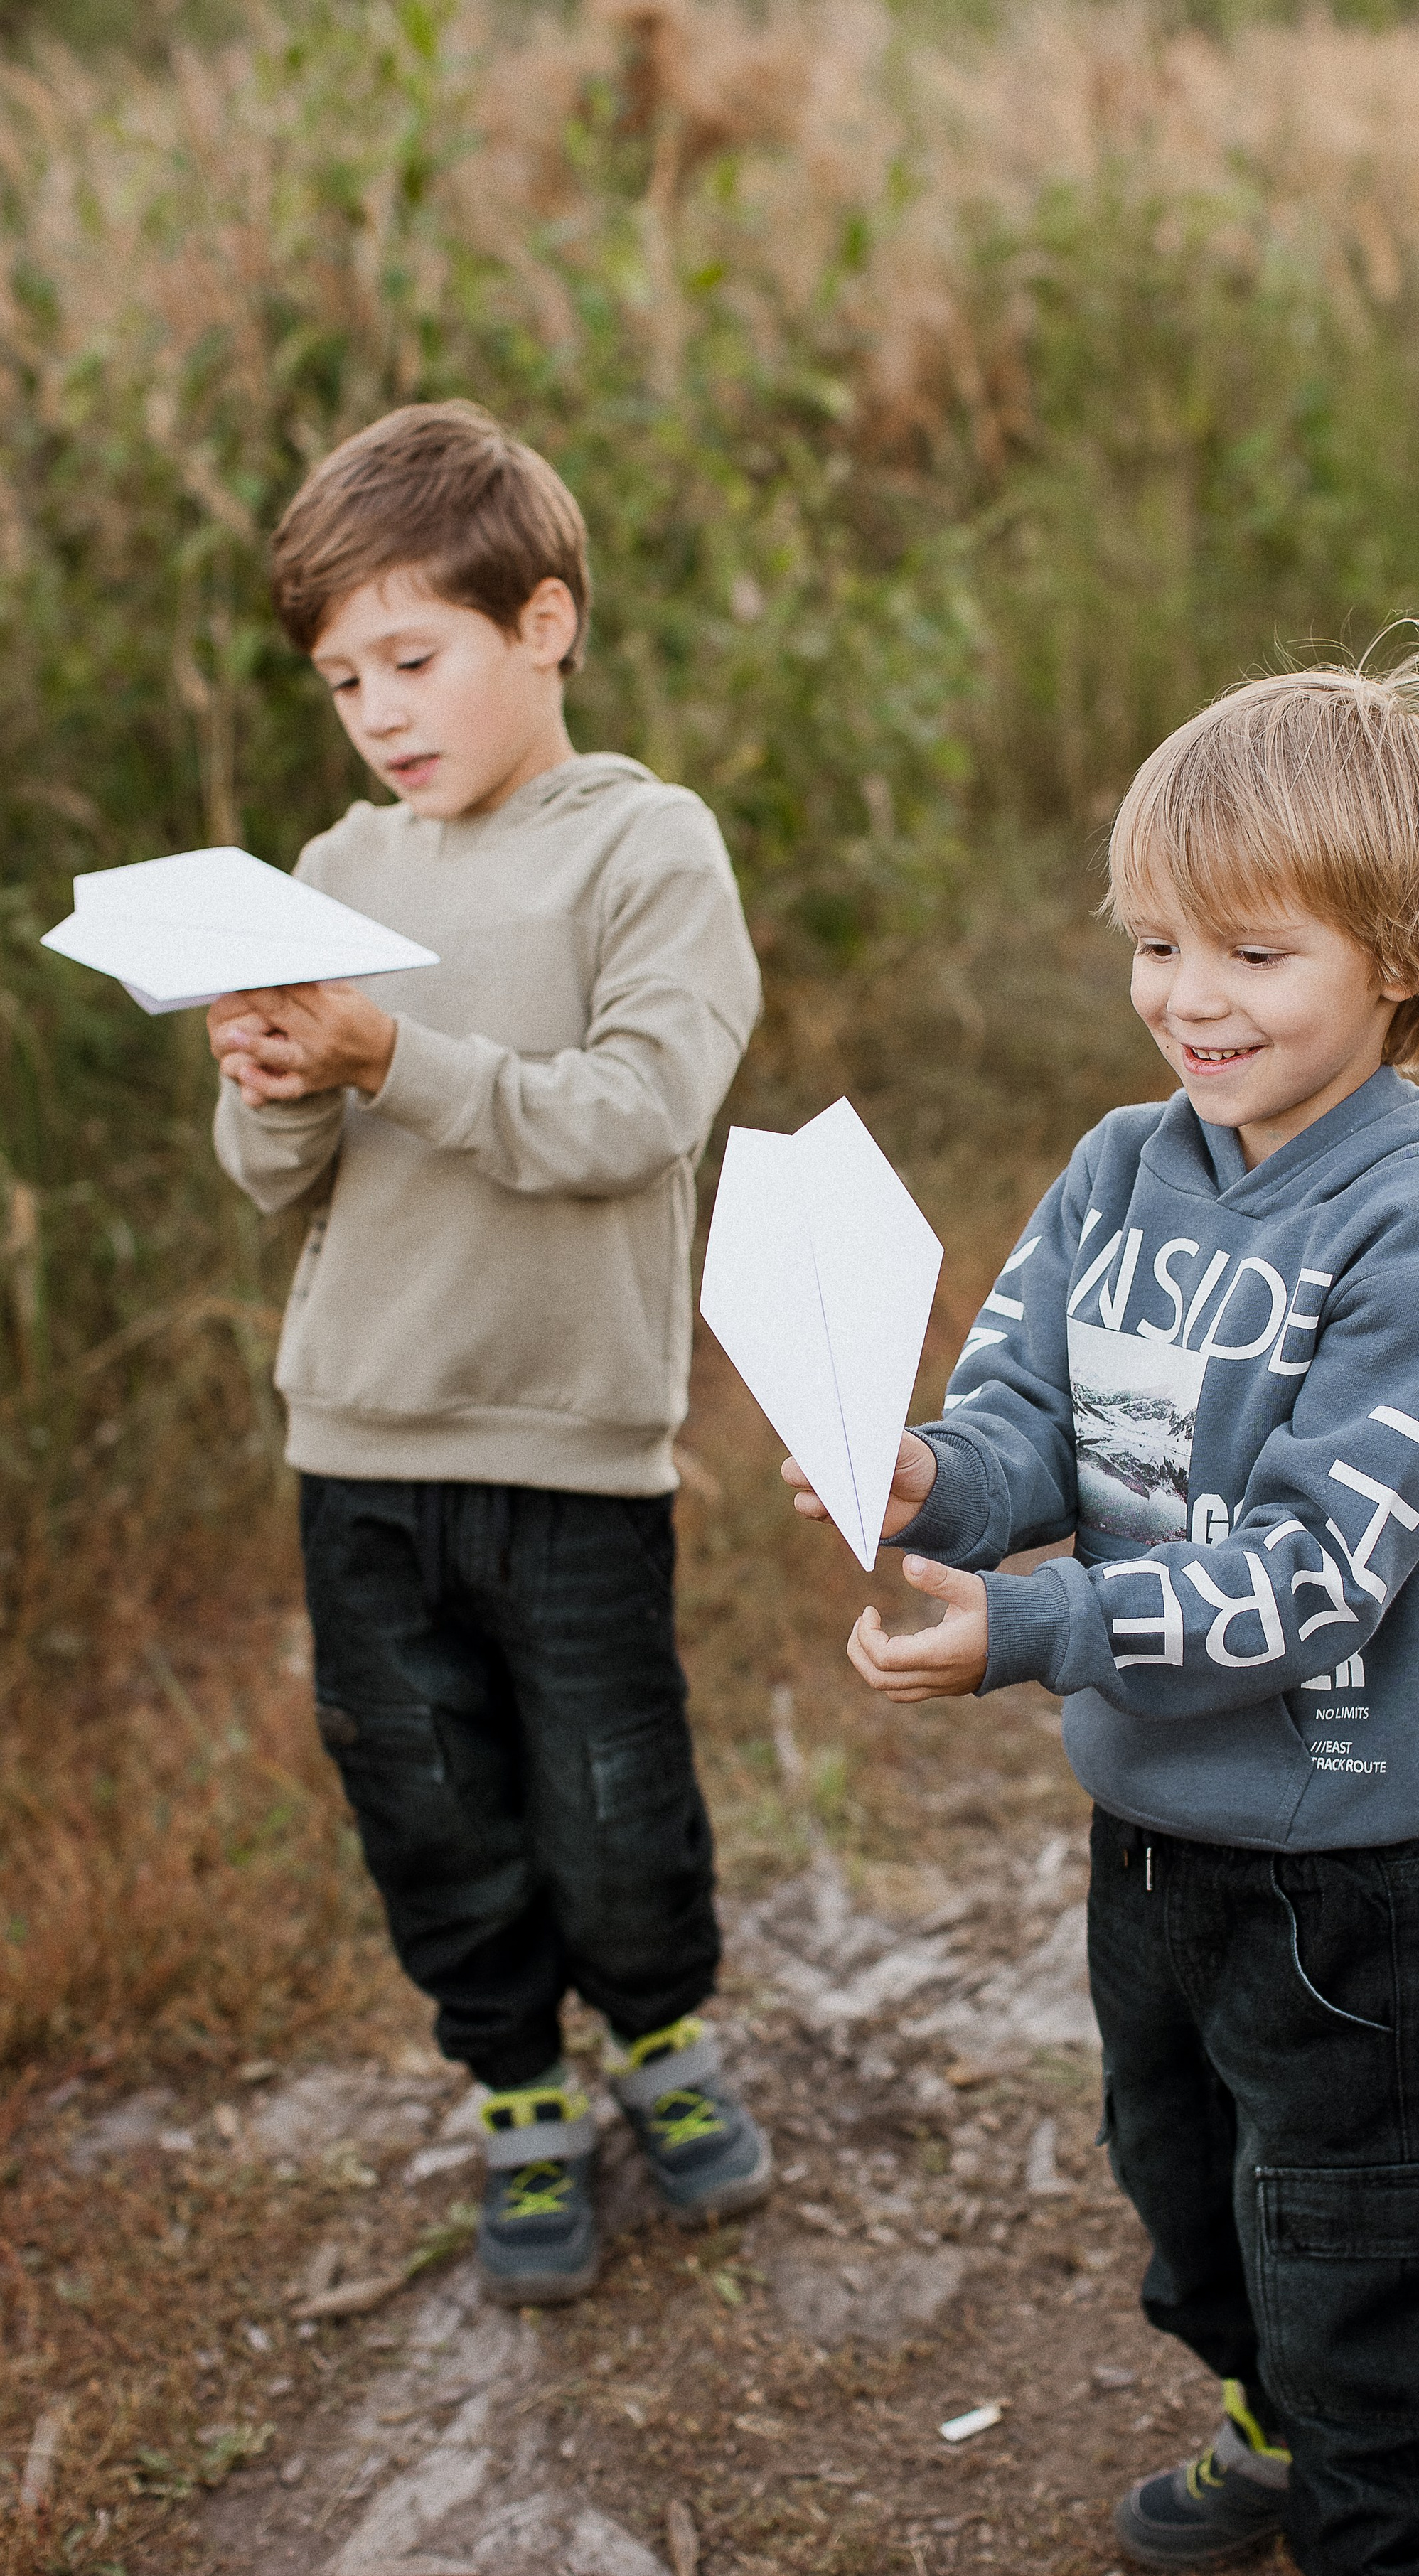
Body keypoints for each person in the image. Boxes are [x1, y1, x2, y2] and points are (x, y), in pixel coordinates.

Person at [786, 658, 1419, 2576]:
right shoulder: (1121, 1170)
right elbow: (1029, 1411)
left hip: (1340, 1864)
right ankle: (1266, 2414)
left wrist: (1030, 1631)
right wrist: (931, 1480)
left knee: (1344, 2234)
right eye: (1157, 944)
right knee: (1180, 2181)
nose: (1191, 998)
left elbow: (1315, 1575)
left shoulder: (1413, 1225)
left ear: (1401, 955)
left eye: (1253, 953)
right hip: (1153, 1827)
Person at [210, 399, 772, 2307]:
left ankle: (663, 2039)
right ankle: (519, 2090)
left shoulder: (646, 848)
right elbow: (273, 1177)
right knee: (428, 1799)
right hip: (358, 1437)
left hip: (570, 1442)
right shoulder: (332, 865)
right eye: (342, 679)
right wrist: (278, 1079)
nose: (378, 712)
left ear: (543, 624)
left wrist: (390, 1054)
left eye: (413, 658)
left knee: (612, 1800)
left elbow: (638, 1114)